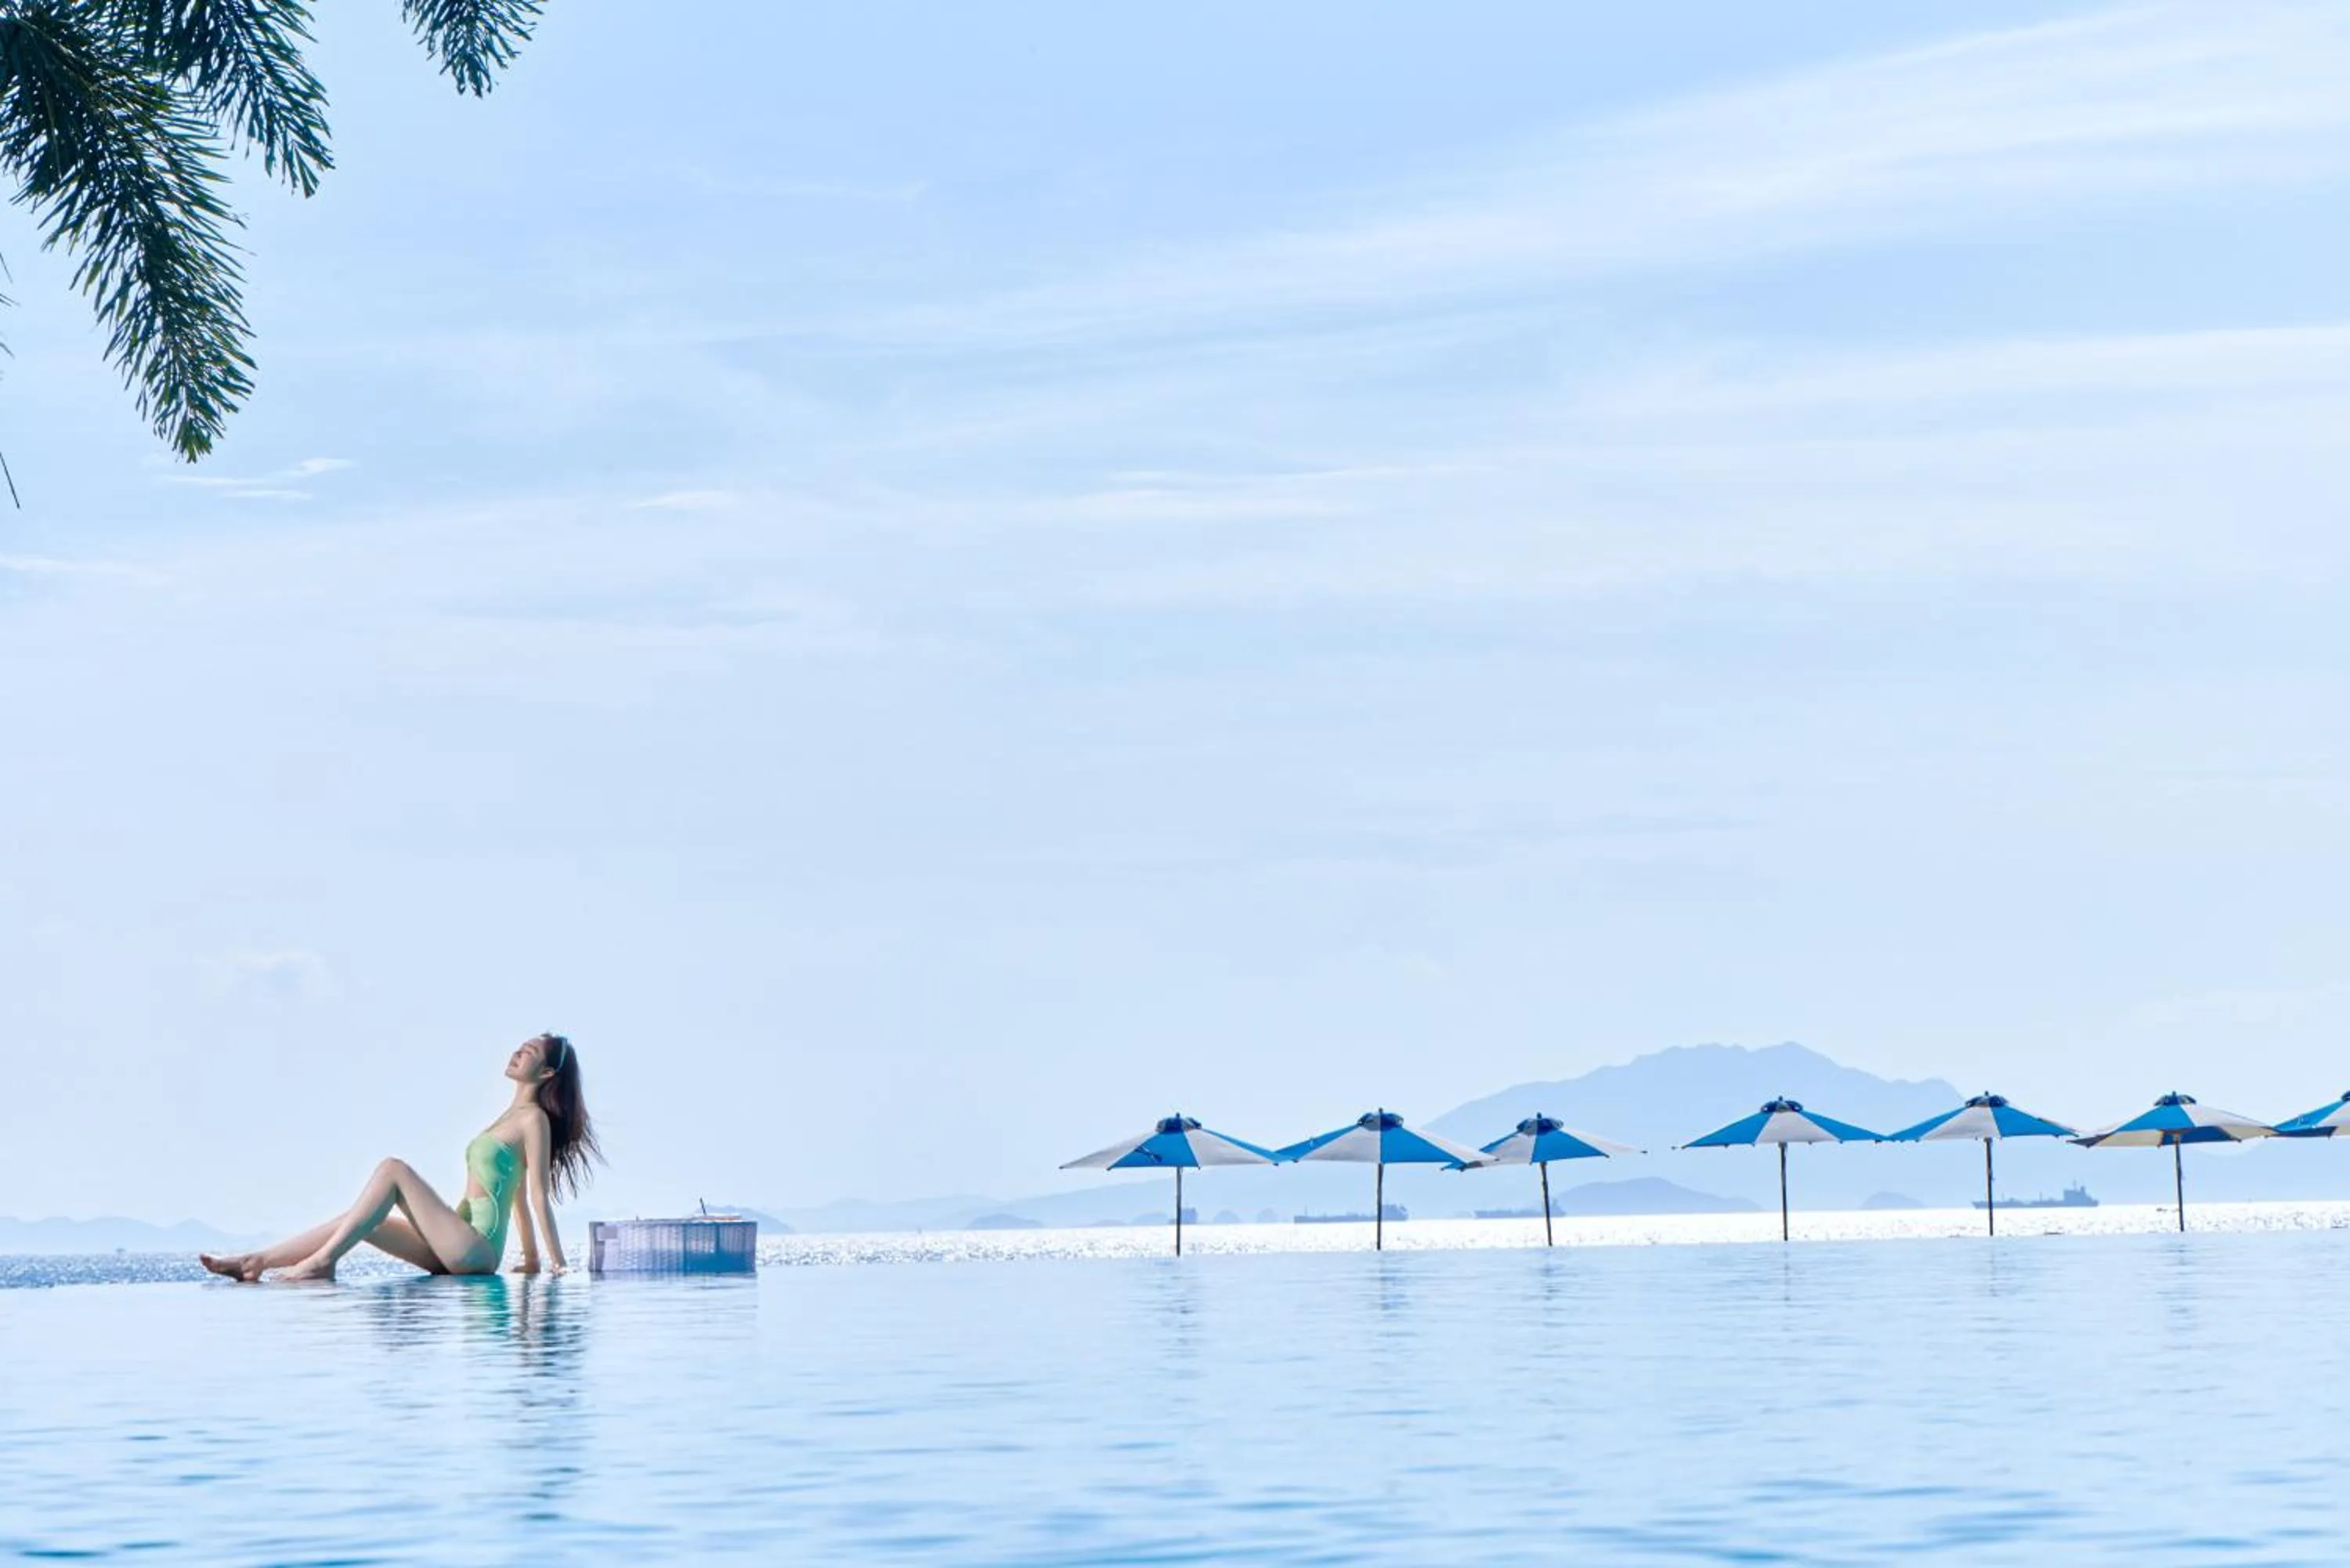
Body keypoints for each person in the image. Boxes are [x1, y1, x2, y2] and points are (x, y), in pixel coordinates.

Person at [201, 1032, 601, 1282]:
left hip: (474, 1249)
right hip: (460, 1244)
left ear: (547, 1073)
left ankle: (322, 1262)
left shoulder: (533, 1119)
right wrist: (529, 1260)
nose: (517, 1052)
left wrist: (556, 1263)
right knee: (363, 1220)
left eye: (529, 1051)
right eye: (519, 1046)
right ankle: (257, 1261)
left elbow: (536, 1196)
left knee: (392, 1170)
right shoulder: (507, 1119)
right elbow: (512, 1194)